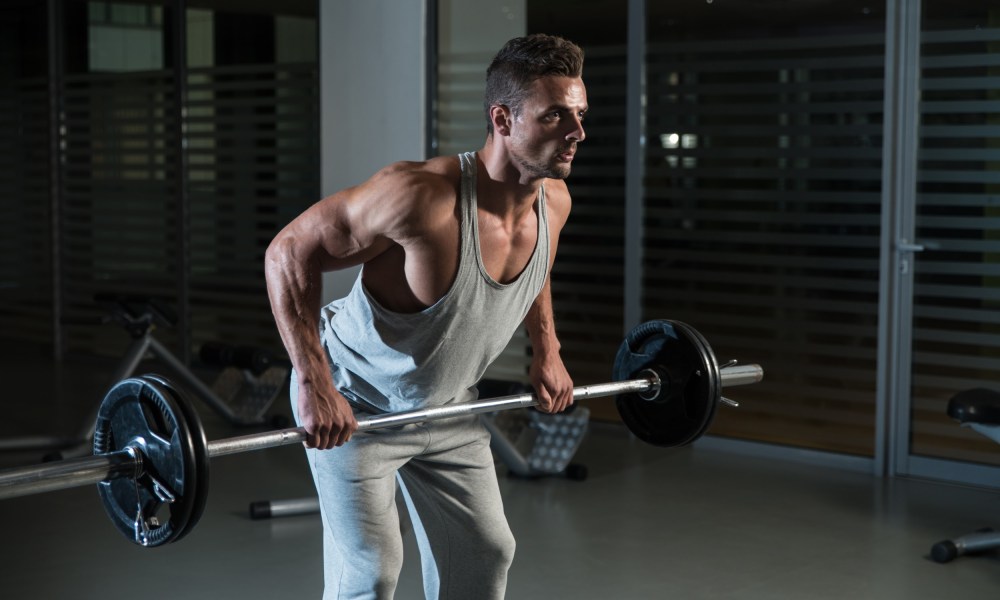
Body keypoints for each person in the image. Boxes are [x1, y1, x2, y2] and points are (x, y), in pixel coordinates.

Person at [264, 33, 586, 599]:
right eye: (555, 115)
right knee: (371, 571)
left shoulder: (552, 201)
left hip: (450, 406)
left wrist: (548, 350)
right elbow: (289, 252)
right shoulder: (421, 197)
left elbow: (537, 271)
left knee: (486, 554)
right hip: (356, 403)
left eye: (580, 114)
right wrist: (314, 382)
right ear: (503, 120)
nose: (576, 132)